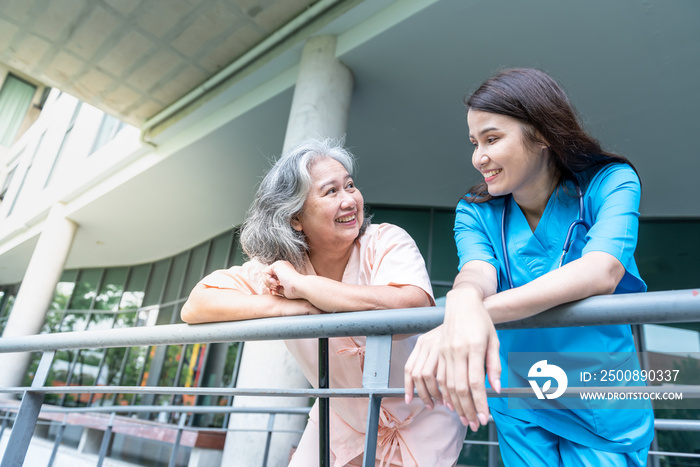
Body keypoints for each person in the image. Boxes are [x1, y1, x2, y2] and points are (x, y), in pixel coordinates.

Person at [404, 68, 654, 465]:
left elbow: (601, 271)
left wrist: (464, 319)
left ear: (541, 134)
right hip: (521, 396)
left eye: (492, 138)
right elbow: (476, 272)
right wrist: (463, 300)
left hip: (599, 396)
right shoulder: (476, 210)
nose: (478, 157)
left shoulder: (611, 182)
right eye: (474, 142)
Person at [181, 139, 466, 466]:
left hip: (422, 414)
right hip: (341, 420)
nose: (350, 200)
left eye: (350, 186)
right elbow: (197, 304)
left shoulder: (386, 241)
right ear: (295, 217)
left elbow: (412, 309)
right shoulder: (280, 269)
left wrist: (305, 286)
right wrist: (292, 307)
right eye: (331, 192)